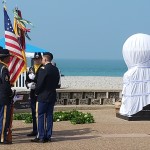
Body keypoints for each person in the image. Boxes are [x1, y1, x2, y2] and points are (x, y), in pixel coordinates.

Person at [31, 52, 60, 143]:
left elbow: (40, 84)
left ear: (45, 59)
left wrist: (36, 93)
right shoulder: (55, 69)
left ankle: (42, 136)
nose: (42, 60)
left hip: (43, 96)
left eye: (42, 58)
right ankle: (48, 135)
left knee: (41, 116)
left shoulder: (43, 69)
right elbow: (57, 83)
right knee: (49, 116)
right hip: (52, 95)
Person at [25, 52, 42, 136]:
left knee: (39, 112)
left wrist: (37, 84)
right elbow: (27, 79)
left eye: (38, 59)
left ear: (41, 59)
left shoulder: (43, 68)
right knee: (33, 112)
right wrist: (28, 84)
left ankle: (40, 130)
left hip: (40, 93)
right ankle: (35, 130)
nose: (37, 60)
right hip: (32, 93)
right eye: (35, 59)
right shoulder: (31, 68)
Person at [0, 47, 14, 144]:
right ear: (4, 58)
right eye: (8, 57)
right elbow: (5, 85)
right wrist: (10, 95)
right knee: (4, 118)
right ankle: (2, 138)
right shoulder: (4, 68)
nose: (9, 59)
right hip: (3, 97)